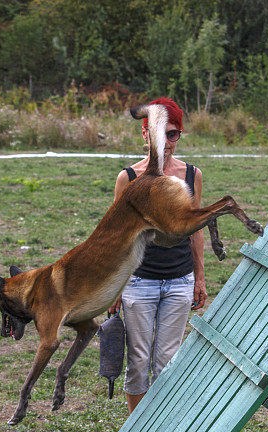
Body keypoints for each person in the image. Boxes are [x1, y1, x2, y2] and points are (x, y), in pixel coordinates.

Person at [108, 97, 207, 414]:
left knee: (167, 362)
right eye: (159, 132)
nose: (167, 141)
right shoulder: (129, 179)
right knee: (138, 362)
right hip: (139, 283)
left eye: (174, 134)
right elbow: (117, 237)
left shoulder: (192, 175)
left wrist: (199, 278)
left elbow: (196, 229)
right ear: (145, 134)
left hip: (180, 282)